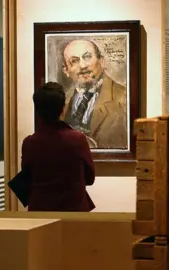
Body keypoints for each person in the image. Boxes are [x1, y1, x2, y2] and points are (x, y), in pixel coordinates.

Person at [22, 82, 95, 212]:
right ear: (62, 109)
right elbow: (89, 178)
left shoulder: (29, 143)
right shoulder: (77, 140)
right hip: (74, 213)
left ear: (37, 111)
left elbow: (27, 180)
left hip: (40, 214)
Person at [60, 39, 127, 149]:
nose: (82, 65)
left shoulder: (124, 98)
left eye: (87, 57)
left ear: (102, 61)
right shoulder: (61, 102)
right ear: (66, 70)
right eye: (74, 61)